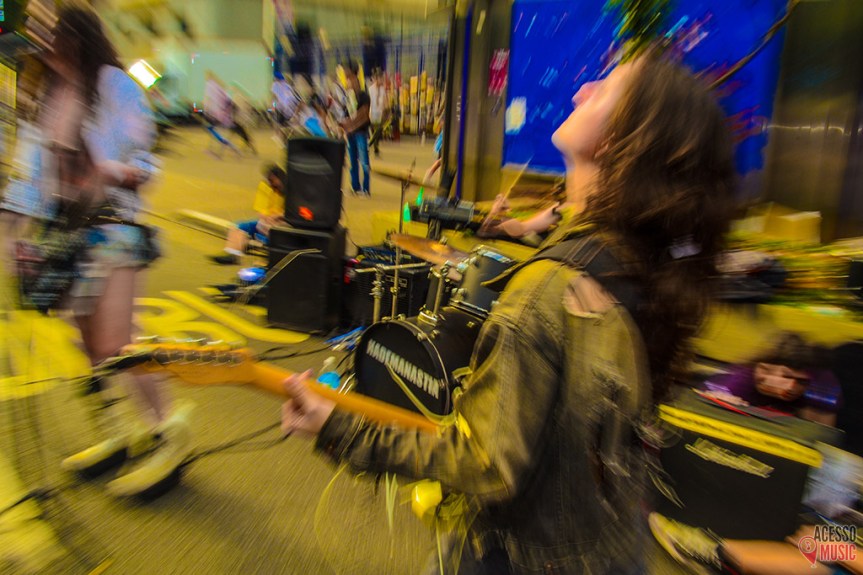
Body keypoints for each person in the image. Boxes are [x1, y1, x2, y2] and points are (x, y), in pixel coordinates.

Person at [280, 48, 735, 574]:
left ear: (621, 141)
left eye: (606, 88)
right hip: (612, 544)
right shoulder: (641, 262)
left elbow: (486, 463)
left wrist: (340, 427)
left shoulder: (549, 291)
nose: (582, 89)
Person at [41, 7, 191, 497]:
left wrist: (108, 168)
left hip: (114, 225)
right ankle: (116, 431)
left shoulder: (116, 84)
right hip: (67, 233)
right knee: (85, 342)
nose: (47, 46)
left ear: (77, 38)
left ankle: (170, 434)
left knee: (117, 342)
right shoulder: (54, 93)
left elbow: (146, 160)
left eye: (55, 36)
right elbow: (38, 164)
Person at [701, 331, 842, 426]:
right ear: (763, 371)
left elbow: (820, 434)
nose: (793, 387)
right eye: (786, 376)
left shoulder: (821, 381)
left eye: (801, 381)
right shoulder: (737, 382)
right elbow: (705, 401)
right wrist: (720, 401)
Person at [208, 164, 287, 265]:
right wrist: (266, 218)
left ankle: (271, 259)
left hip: (283, 223)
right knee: (238, 227)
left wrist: (277, 217)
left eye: (273, 180)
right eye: (269, 180)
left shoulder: (291, 190)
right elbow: (261, 210)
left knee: (272, 231)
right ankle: (233, 255)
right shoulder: (266, 186)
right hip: (268, 222)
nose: (272, 183)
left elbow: (291, 213)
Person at [340, 61, 372, 197]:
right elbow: (347, 114)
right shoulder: (348, 96)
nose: (347, 79)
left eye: (348, 74)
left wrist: (351, 124)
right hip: (351, 133)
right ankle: (355, 187)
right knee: (353, 162)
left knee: (364, 161)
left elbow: (364, 116)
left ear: (354, 74)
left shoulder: (363, 95)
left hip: (360, 132)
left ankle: (365, 189)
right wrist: (345, 125)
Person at [202, 70, 240, 157]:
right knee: (215, 130)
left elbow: (208, 100)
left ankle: (231, 148)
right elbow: (227, 101)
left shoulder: (209, 85)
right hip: (223, 115)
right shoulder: (219, 86)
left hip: (216, 114)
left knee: (213, 130)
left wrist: (206, 110)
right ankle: (217, 149)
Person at [367, 67, 387, 157]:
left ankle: (374, 147)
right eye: (380, 78)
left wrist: (384, 110)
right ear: (376, 78)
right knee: (376, 131)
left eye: (382, 78)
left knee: (378, 131)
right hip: (372, 112)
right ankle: (372, 146)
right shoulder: (370, 89)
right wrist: (369, 113)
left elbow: (384, 101)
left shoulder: (383, 89)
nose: (381, 80)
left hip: (380, 113)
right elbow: (369, 102)